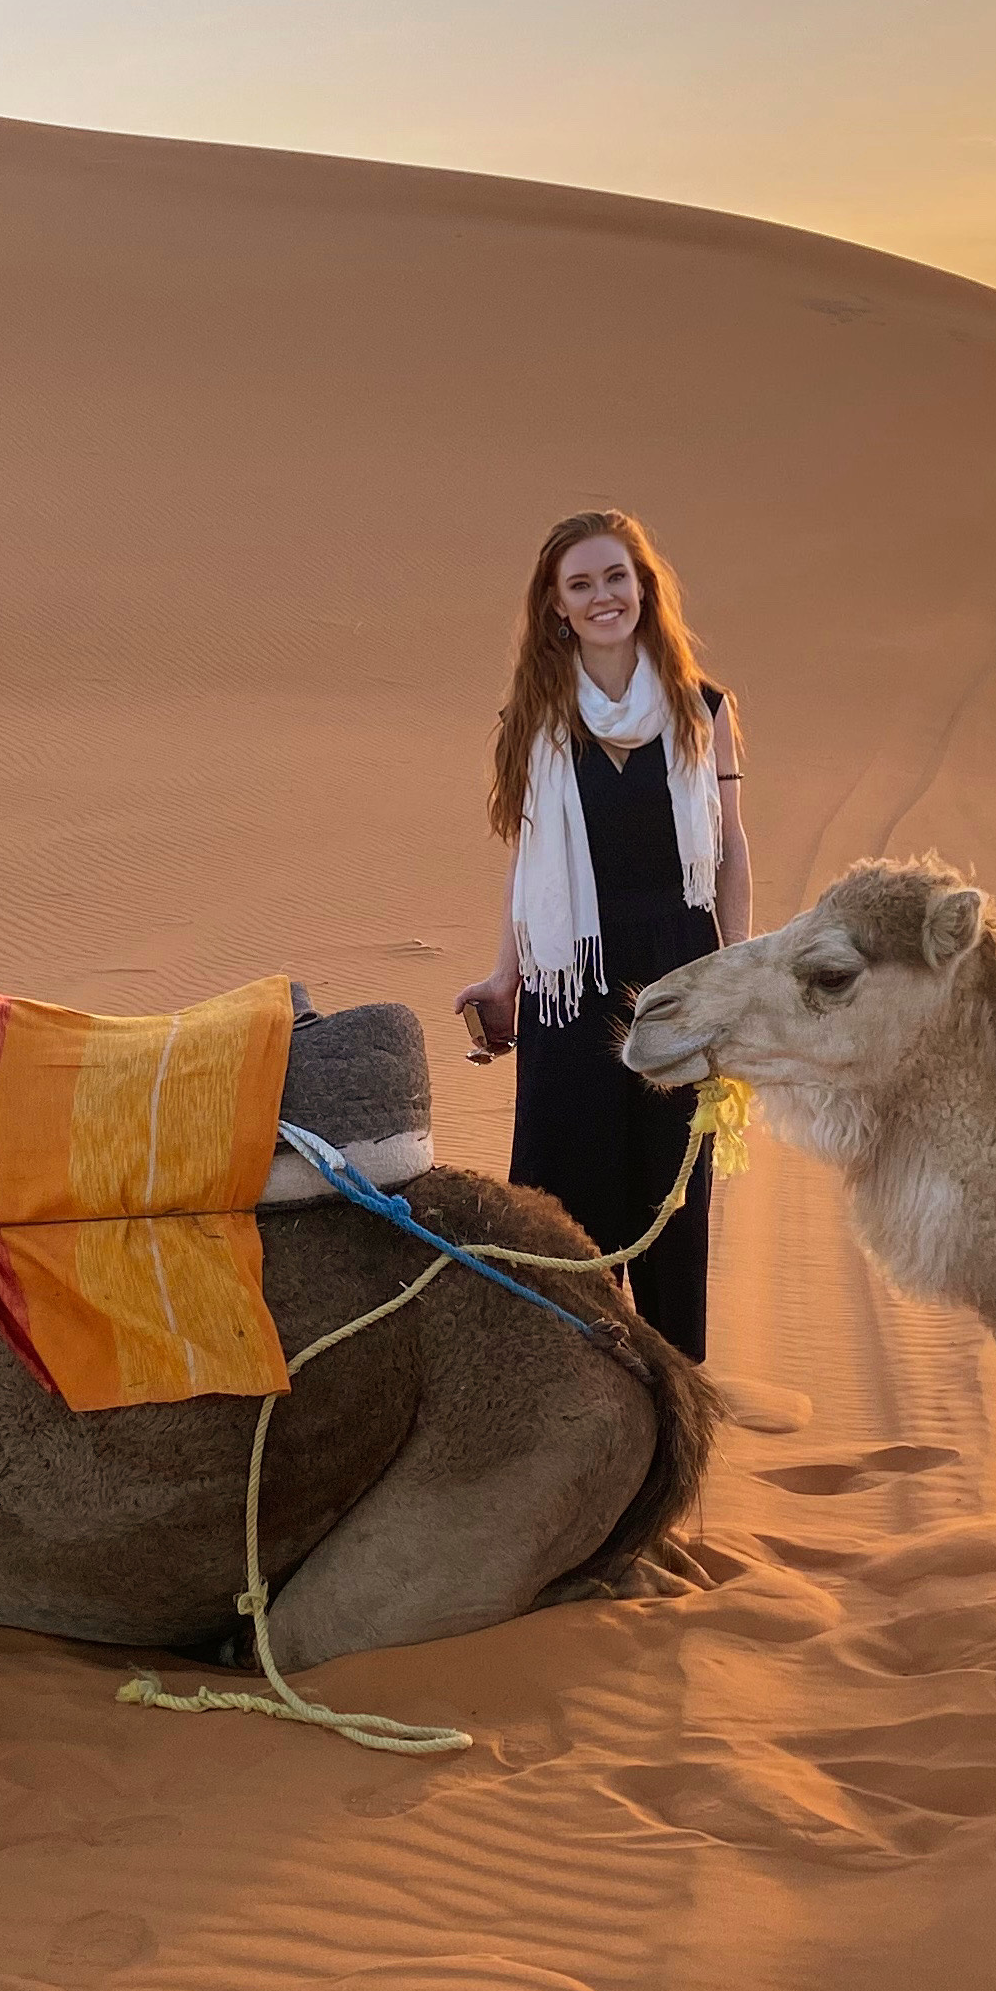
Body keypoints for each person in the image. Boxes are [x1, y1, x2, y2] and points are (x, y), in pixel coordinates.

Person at [452, 509, 750, 1360]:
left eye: (616, 577)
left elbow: (730, 850)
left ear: (643, 586)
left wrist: (736, 976)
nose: (602, 596)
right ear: (557, 606)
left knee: (672, 1195)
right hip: (569, 981)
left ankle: (670, 1402)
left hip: (680, 969)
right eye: (580, 584)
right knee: (563, 1195)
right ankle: (566, 1397)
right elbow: (530, 863)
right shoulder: (534, 722)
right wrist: (506, 978)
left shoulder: (703, 709)